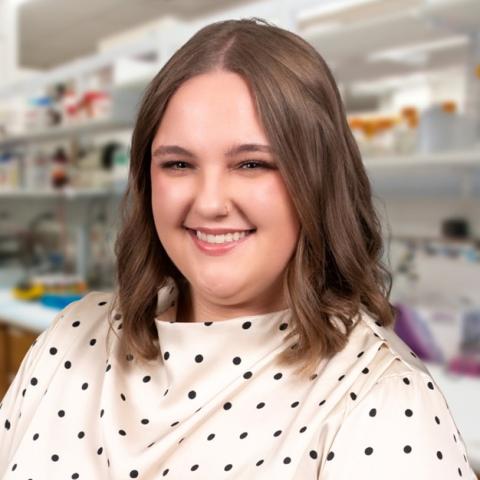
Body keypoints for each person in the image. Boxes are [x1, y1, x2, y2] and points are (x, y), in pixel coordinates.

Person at [0, 17, 477, 480]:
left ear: (319, 179)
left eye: (252, 164)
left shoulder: (384, 404)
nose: (209, 203)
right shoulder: (71, 336)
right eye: (179, 164)